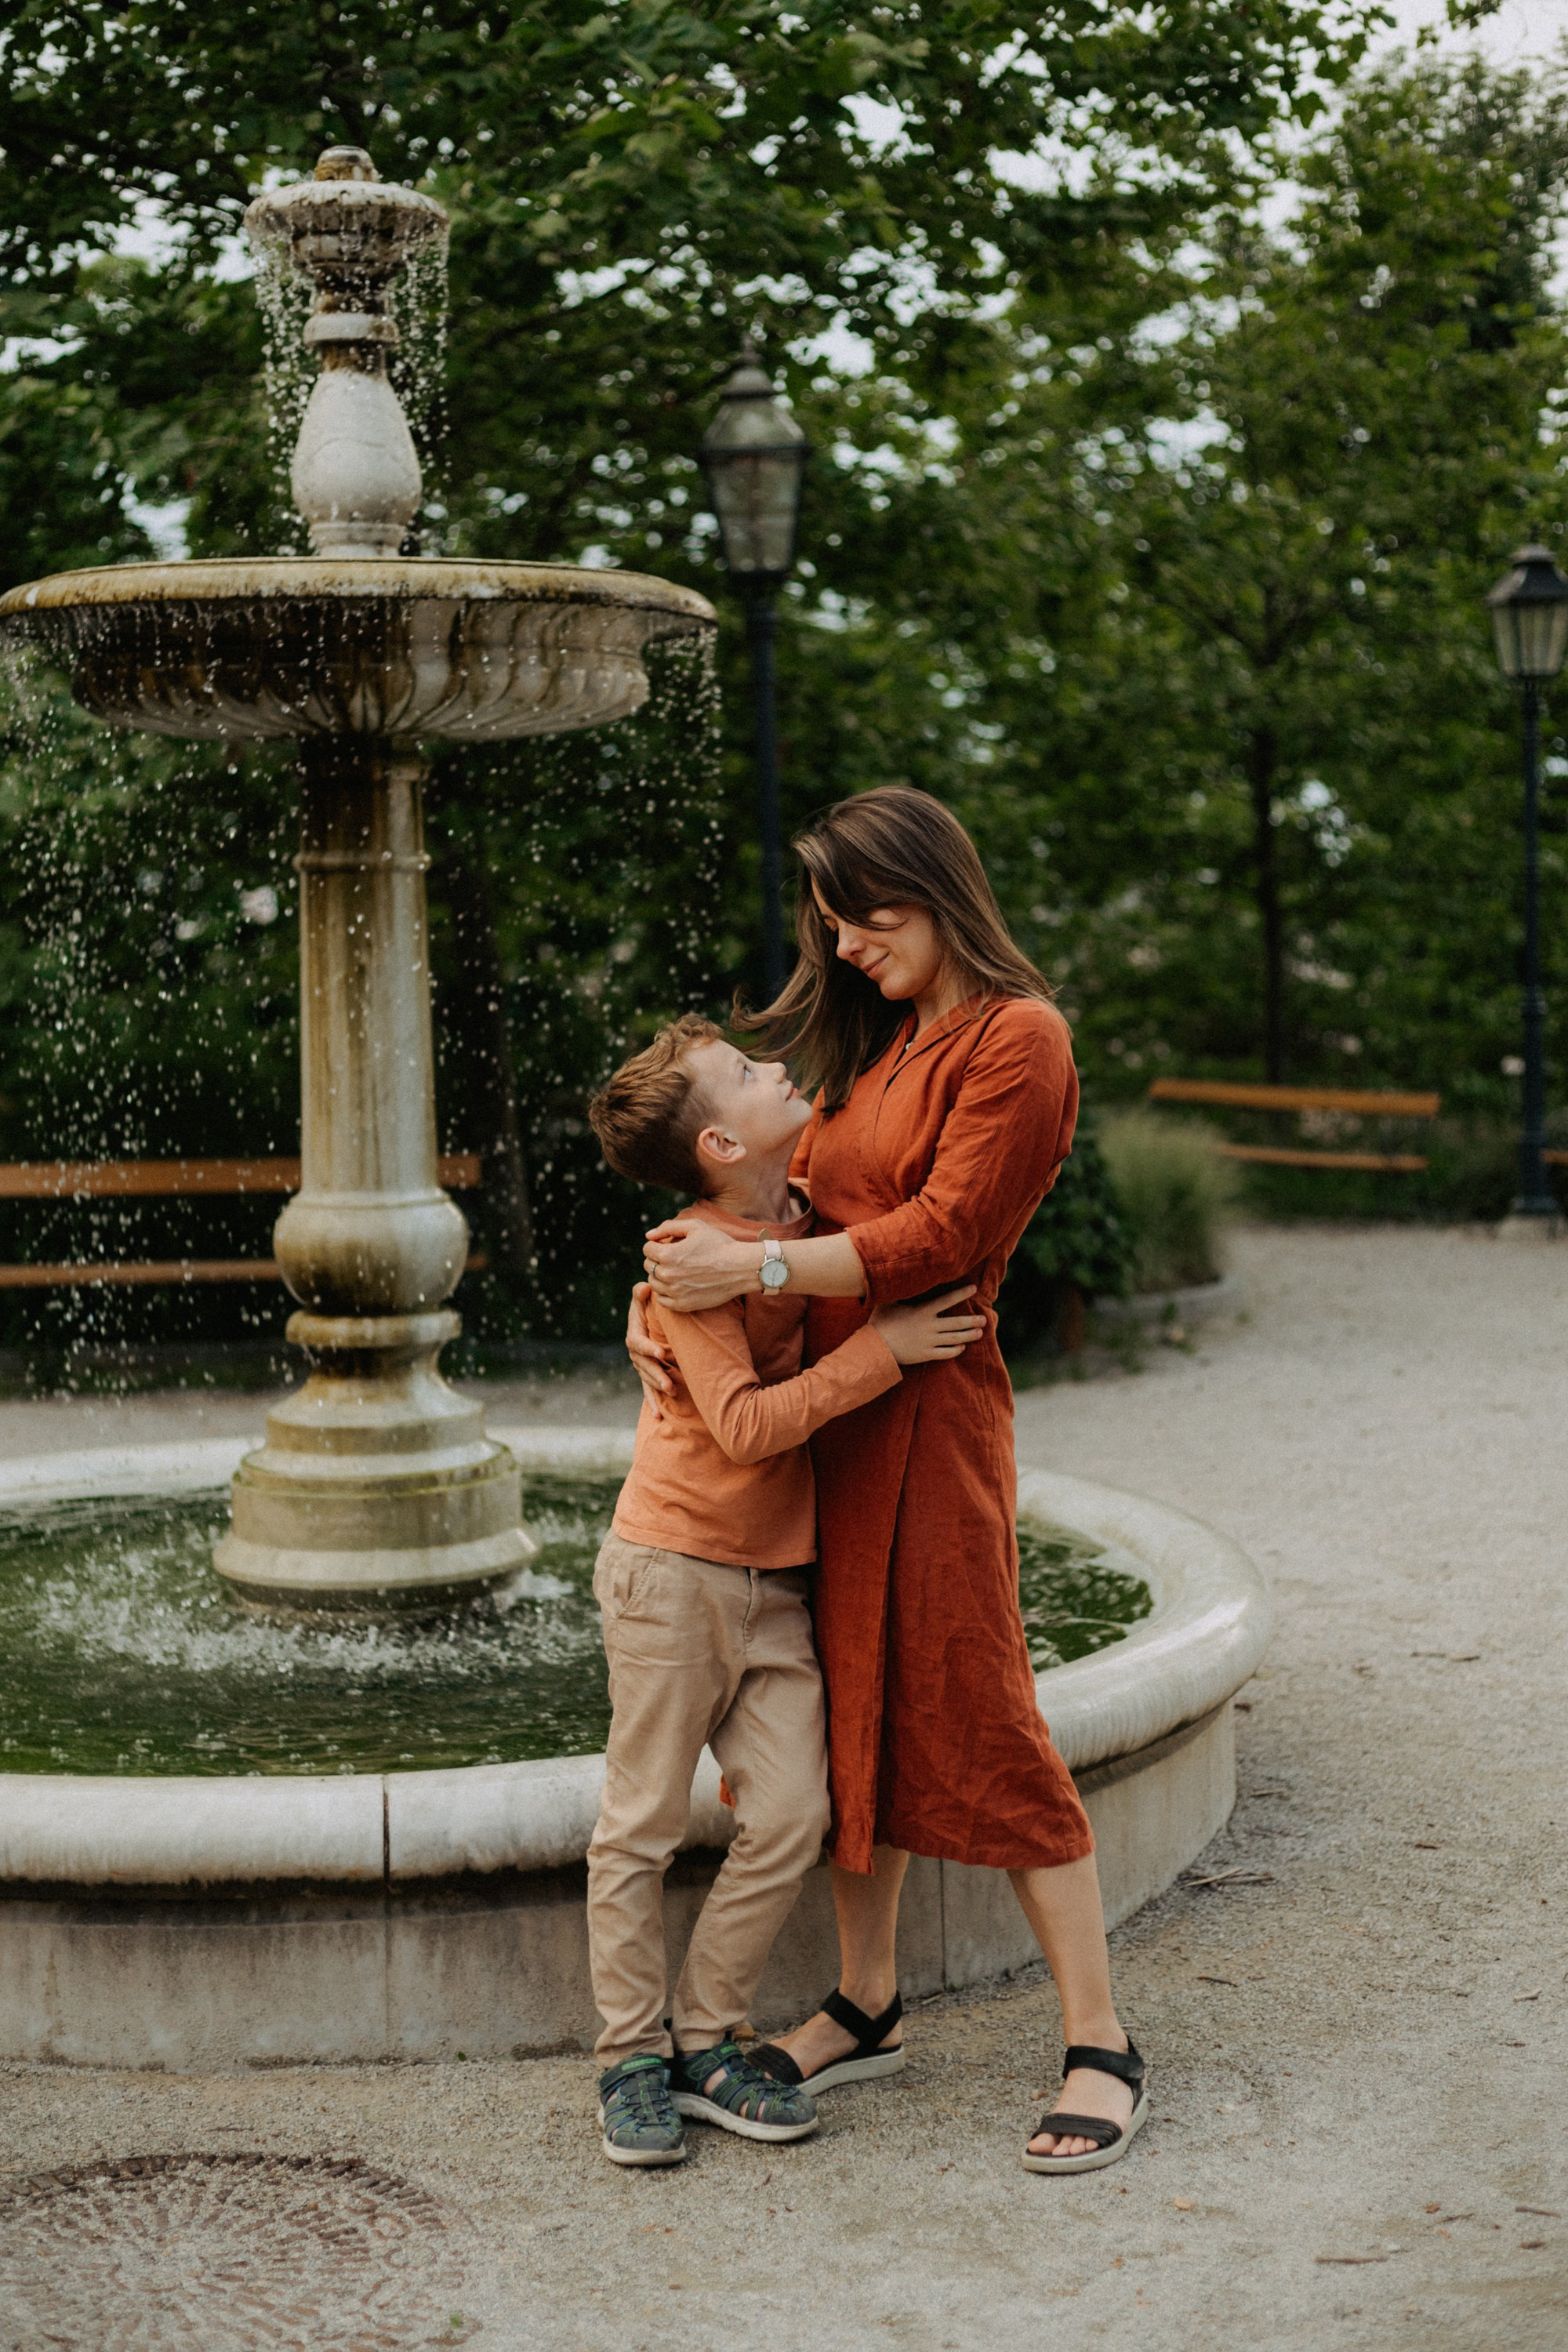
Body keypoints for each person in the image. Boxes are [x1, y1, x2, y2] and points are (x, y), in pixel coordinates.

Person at [630, 787, 1147, 2175]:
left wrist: (760, 1270)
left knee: (981, 1701)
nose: (848, 946)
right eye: (837, 925)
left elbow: (944, 1232)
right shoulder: (896, 1036)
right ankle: (866, 2001)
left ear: (934, 888)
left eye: (869, 917)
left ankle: (1099, 2037)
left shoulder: (1017, 1037)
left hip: (932, 1422)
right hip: (835, 1427)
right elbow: (789, 1196)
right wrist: (698, 1286)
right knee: (855, 1702)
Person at [583, 1009, 985, 2168]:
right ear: (718, 1146)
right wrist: (882, 1353)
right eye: (750, 1073)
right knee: (643, 1824)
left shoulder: (799, 1208)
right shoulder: (687, 1269)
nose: (778, 1069)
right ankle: (627, 2058)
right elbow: (750, 1428)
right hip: (673, 1571)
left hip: (775, 1581)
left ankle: (706, 2037)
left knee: (798, 1815)